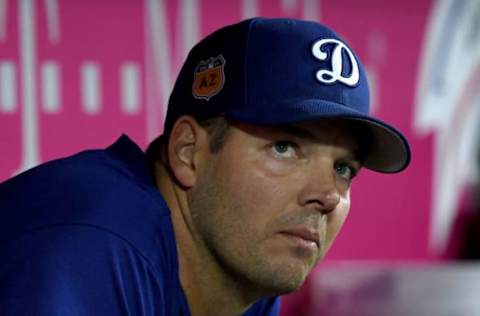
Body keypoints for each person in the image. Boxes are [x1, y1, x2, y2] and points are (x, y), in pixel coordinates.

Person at [0, 17, 410, 316]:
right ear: (188, 153)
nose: (328, 194)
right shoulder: (91, 243)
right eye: (285, 147)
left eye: (343, 168)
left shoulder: (250, 273)